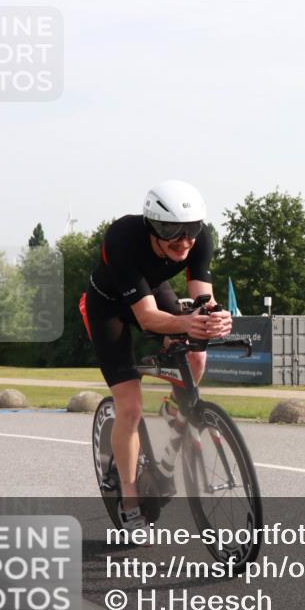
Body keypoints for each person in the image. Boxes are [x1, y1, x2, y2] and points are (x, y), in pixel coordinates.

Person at [80, 180, 232, 529]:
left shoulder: (200, 239)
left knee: (197, 358)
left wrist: (217, 318)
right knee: (130, 407)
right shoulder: (122, 236)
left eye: (191, 230)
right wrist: (187, 322)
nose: (183, 241)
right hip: (108, 308)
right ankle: (130, 503)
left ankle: (176, 408)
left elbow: (202, 301)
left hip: (152, 292)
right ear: (151, 225)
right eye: (171, 231)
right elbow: (147, 317)